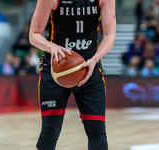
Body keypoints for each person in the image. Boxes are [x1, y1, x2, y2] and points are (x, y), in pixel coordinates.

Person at [29, 0, 116, 149]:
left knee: (97, 133)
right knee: (49, 132)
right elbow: (34, 35)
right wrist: (51, 46)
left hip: (89, 67)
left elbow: (109, 34)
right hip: (55, 70)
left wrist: (95, 59)